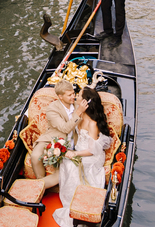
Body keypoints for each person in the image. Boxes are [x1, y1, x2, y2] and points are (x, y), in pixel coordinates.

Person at [53, 87, 113, 227]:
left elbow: (92, 150)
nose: (76, 96)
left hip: (92, 155)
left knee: (72, 165)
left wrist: (74, 153)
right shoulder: (78, 115)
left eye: (79, 95)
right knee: (66, 162)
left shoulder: (92, 124)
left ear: (85, 101)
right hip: (80, 151)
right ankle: (72, 201)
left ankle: (78, 205)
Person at [30, 81, 84, 181]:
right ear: (60, 97)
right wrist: (79, 112)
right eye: (69, 95)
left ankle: (43, 184)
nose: (73, 96)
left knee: (69, 167)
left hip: (74, 142)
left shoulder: (78, 105)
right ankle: (40, 181)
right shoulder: (52, 109)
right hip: (52, 139)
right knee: (35, 156)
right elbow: (65, 128)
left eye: (73, 93)